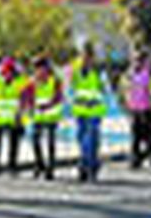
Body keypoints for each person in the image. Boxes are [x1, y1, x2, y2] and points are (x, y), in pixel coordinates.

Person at [68, 43, 106, 183]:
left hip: (94, 110)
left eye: (89, 56)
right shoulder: (76, 70)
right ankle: (88, 164)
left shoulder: (97, 71)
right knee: (82, 139)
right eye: (84, 55)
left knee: (91, 140)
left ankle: (89, 166)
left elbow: (103, 88)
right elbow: (71, 87)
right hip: (80, 110)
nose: (86, 59)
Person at [0, 57, 27, 177]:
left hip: (14, 117)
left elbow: (24, 98)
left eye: (9, 71)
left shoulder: (20, 82)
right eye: (4, 71)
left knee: (13, 143)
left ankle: (12, 167)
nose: (7, 73)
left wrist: (21, 114)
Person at [27, 55, 63, 179]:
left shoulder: (54, 81)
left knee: (50, 142)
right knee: (35, 140)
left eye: (41, 68)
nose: (38, 71)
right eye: (36, 68)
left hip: (51, 115)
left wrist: (48, 105)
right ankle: (39, 164)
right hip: (38, 116)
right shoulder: (33, 82)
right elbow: (29, 96)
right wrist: (30, 108)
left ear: (47, 68)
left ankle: (50, 168)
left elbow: (59, 97)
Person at [124, 50, 151, 168]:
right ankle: (135, 158)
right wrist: (125, 102)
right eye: (135, 60)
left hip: (148, 107)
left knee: (149, 133)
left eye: (140, 60)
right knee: (136, 134)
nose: (137, 62)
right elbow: (125, 89)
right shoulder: (130, 74)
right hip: (135, 107)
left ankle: (150, 154)